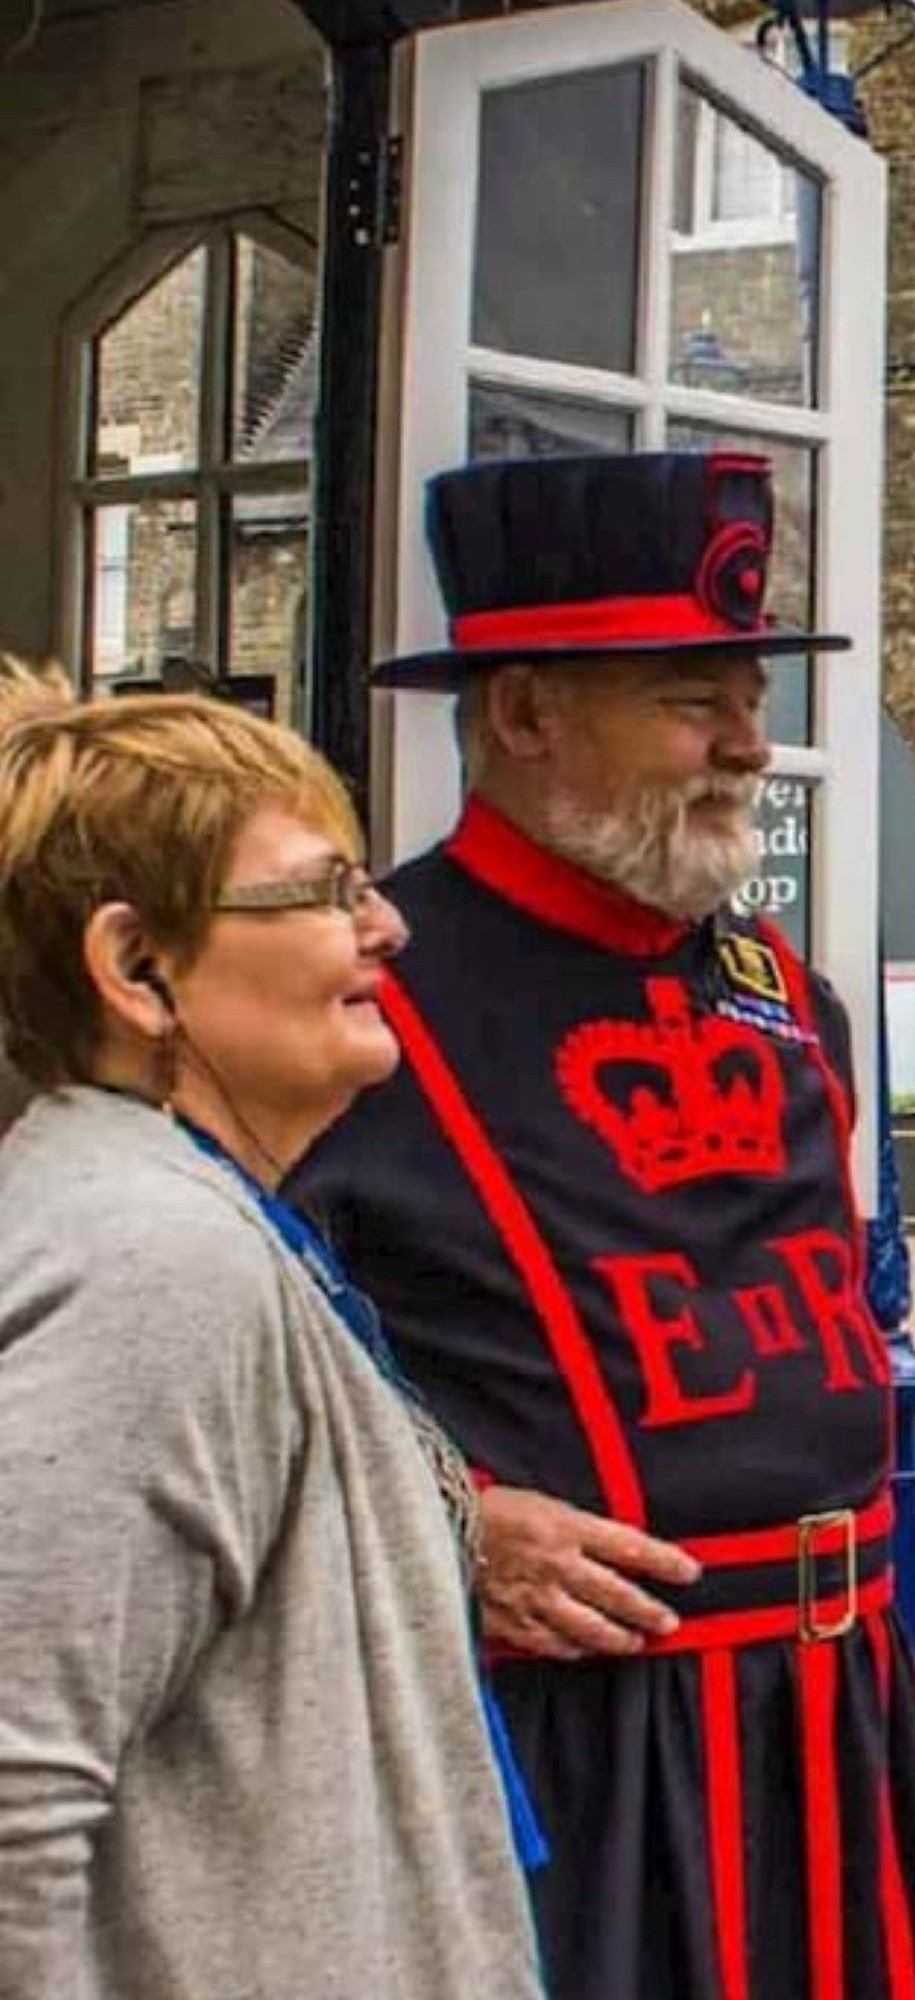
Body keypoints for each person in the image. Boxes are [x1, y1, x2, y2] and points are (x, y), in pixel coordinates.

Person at [286, 453, 915, 2000]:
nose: (747, 746)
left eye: (747, 697)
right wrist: (446, 1526)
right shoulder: (364, 997)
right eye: (691, 701)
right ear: (525, 714)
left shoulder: (789, 997)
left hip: (844, 1713)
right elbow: (239, 1367)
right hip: (582, 1747)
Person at [0, 689, 544, 2000]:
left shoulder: (194, 1222)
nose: (387, 924)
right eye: (322, 893)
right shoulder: (149, 1261)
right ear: (137, 970)